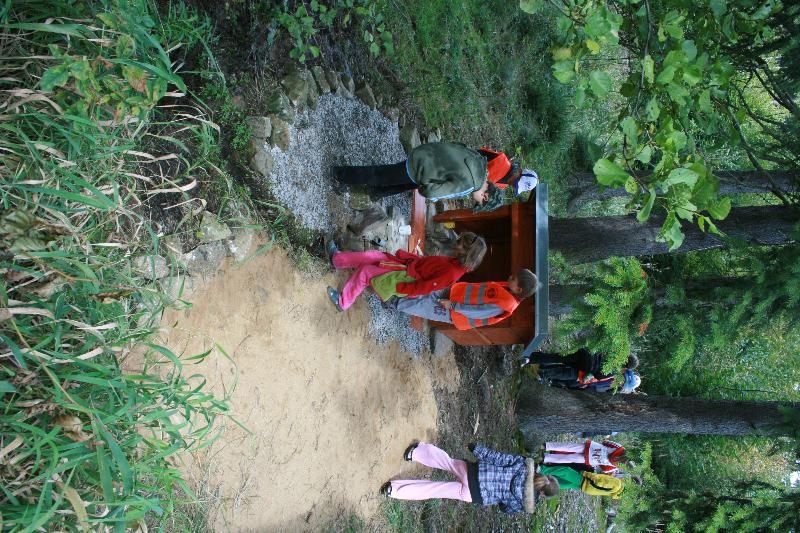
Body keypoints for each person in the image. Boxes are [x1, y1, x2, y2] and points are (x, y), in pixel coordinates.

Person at [332, 142, 539, 210]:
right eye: (517, 181)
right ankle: (340, 174)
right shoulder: (497, 162)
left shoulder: (485, 174)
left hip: (430, 159)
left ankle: (373, 190)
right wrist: (429, 187)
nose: (513, 184)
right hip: (425, 168)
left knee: (390, 177)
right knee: (380, 174)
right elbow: (430, 192)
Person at [380, 441, 559, 514]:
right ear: (542, 494)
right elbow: (504, 508)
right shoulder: (524, 504)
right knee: (434, 490)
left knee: (446, 462)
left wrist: (476, 448)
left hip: (475, 472)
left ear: (545, 475)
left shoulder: (524, 465)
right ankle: (393, 490)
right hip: (474, 495)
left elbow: (497, 457)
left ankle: (414, 453)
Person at [325, 232, 487, 312]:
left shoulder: (451, 273)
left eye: (460, 244)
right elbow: (429, 266)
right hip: (406, 266)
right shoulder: (455, 262)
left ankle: (343, 302)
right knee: (373, 256)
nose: (456, 244)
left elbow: (424, 287)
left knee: (365, 273)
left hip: (404, 278)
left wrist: (401, 288)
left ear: (467, 253)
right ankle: (337, 259)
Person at [387, 268, 541, 329]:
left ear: (519, 289)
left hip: (455, 312)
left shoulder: (506, 304)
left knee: (424, 307)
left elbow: (477, 312)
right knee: (427, 291)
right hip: (454, 294)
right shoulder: (508, 288)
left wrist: (453, 306)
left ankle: (395, 303)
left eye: (514, 278)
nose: (510, 276)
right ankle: (398, 292)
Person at [521, 349, 642, 394]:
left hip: (584, 354)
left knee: (558, 357)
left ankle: (530, 358)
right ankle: (540, 372)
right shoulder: (615, 368)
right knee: (562, 372)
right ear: (627, 367)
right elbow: (599, 376)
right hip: (583, 369)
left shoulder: (615, 349)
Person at [543, 439, 627, 474]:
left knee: (568, 447)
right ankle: (545, 458)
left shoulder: (620, 448)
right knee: (568, 459)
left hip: (591, 447)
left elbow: (606, 442)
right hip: (591, 459)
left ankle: (546, 446)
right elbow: (604, 469)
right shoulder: (616, 466)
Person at [537, 465, 625, 498]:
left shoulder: (617, 484)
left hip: (585, 481)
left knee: (566, 471)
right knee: (561, 483)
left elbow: (598, 482)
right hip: (585, 488)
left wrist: (586, 473)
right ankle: (542, 488)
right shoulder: (617, 493)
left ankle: (541, 470)